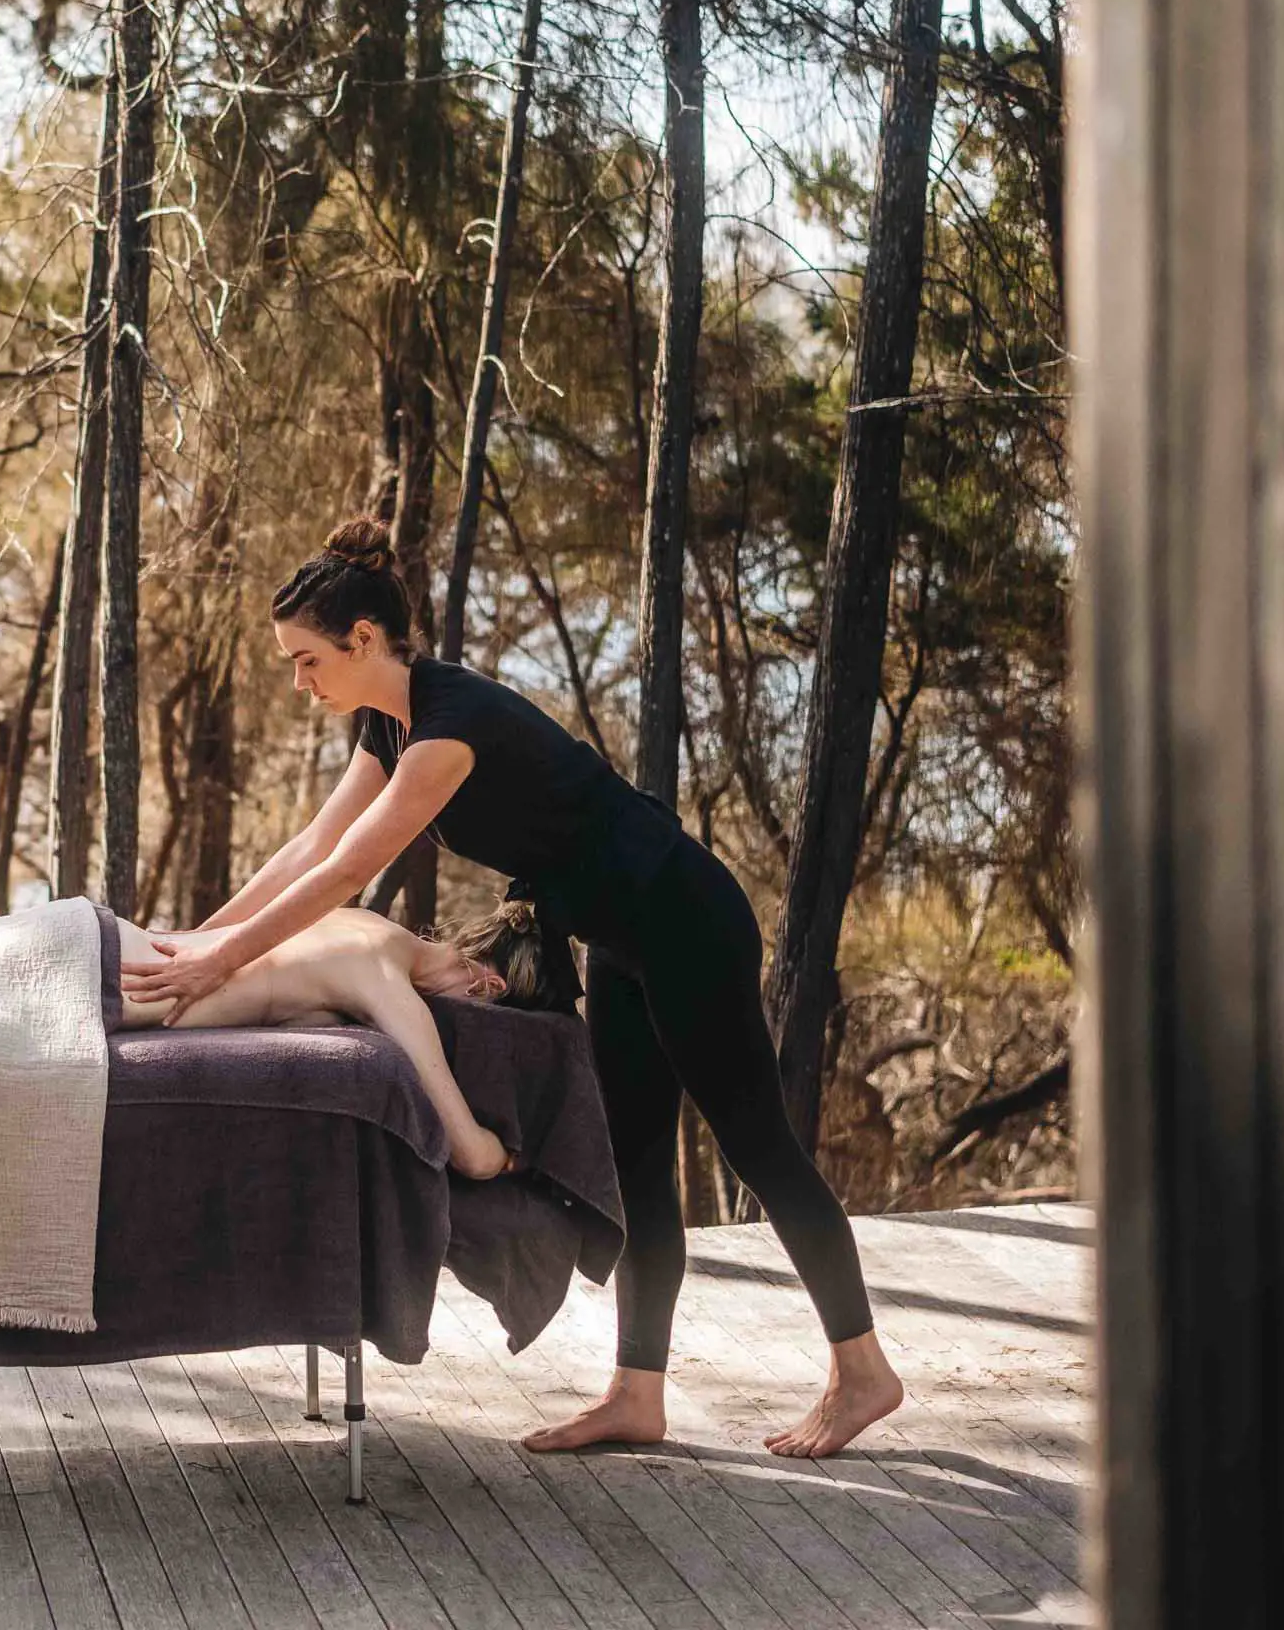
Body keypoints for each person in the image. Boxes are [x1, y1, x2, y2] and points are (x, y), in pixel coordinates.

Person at [123, 516, 904, 1460]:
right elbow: (310, 847)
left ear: (363, 640)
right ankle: (636, 1394)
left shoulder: (453, 728)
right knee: (639, 1166)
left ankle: (861, 1369)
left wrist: (223, 960)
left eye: (306, 660)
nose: (301, 681)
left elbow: (343, 878)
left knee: (759, 1150)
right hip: (620, 936)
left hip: (685, 917)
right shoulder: (390, 721)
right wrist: (194, 946)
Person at [111, 903, 516, 1178]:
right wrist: (514, 1159)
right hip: (110, 983)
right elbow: (474, 1157)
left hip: (105, 934)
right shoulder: (386, 983)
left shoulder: (365, 920)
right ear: (489, 987)